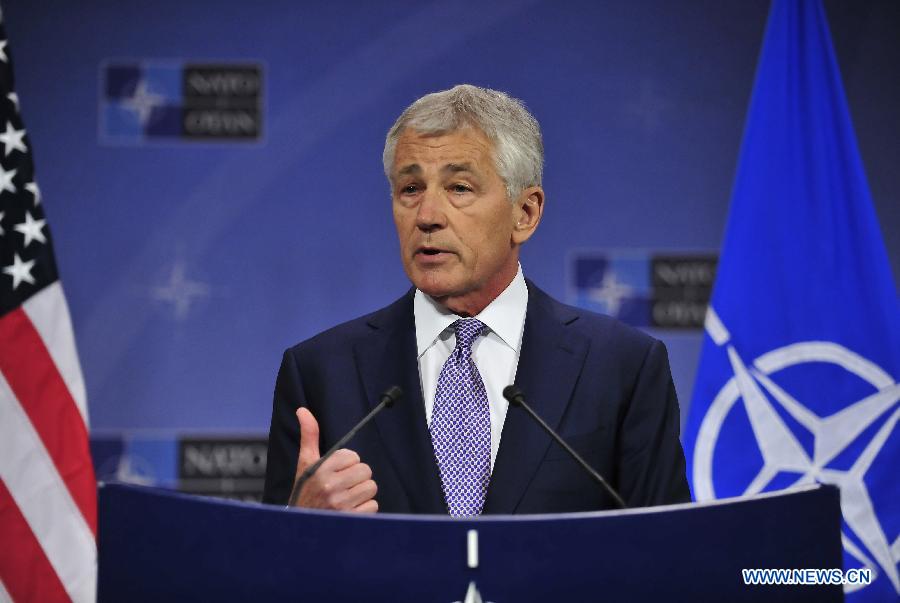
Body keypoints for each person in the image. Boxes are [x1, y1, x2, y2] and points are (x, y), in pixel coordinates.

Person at [263, 84, 691, 514]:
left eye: (460, 188)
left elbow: (669, 558)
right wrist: (300, 526)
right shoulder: (320, 373)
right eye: (410, 188)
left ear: (525, 214)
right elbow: (271, 571)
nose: (427, 216)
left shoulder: (621, 367)